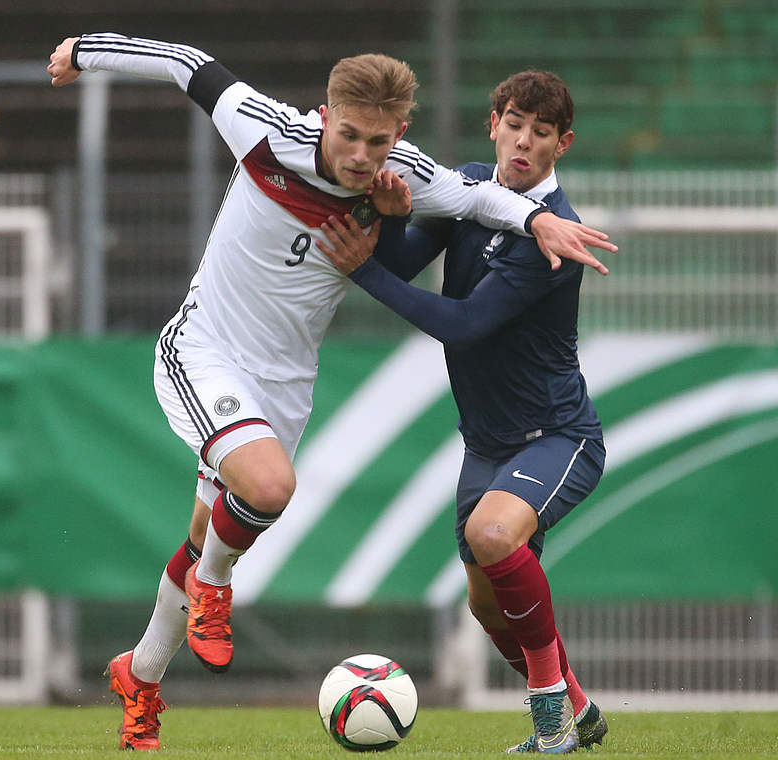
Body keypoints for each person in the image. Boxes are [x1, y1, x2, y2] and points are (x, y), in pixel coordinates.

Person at [46, 34, 616, 750]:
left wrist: (532, 217)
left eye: (376, 141)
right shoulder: (266, 129)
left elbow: (479, 203)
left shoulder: (407, 174)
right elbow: (187, 63)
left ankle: (142, 674)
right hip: (208, 350)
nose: (357, 155)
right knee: (265, 492)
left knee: (207, 532)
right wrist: (84, 51)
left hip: (287, 381)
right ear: (324, 116)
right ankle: (215, 593)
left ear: (398, 136)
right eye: (346, 134)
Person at [317, 70, 609, 753]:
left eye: (541, 133)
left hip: (558, 436)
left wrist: (362, 270)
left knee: (492, 534)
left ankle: (548, 724)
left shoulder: (553, 238)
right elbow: (408, 258)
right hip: (487, 442)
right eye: (514, 124)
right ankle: (581, 707)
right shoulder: (473, 186)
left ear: (562, 144)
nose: (523, 141)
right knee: (484, 602)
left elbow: (466, 324)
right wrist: (389, 221)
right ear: (493, 124)